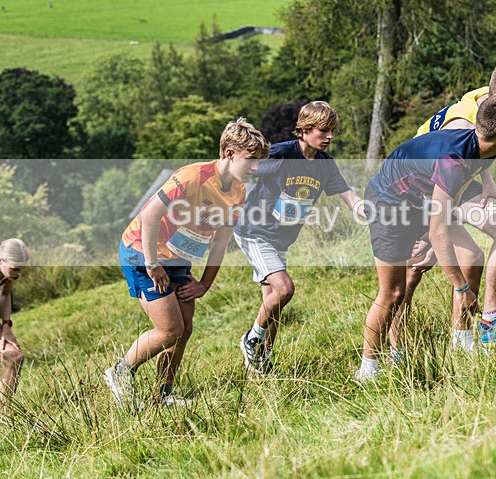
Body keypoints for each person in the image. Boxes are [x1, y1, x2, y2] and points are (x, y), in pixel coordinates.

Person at [356, 95, 496, 381]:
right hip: (388, 205)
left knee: (472, 256)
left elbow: (448, 208)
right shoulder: (454, 160)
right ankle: (368, 370)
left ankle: (461, 344)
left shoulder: (485, 151)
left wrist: (437, 242)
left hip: (420, 200)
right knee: (392, 292)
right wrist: (461, 288)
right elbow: (438, 229)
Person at [105, 118, 269, 407]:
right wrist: (152, 264)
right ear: (230, 153)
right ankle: (119, 372)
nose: (256, 167)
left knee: (185, 326)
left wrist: (205, 284)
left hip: (178, 258)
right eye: (251, 160)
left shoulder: (239, 191)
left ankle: (163, 393)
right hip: (142, 250)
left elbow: (220, 241)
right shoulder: (193, 176)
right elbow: (150, 215)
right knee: (169, 330)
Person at [390, 59, 496, 353]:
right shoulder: (460, 124)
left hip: (458, 178)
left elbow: (481, 146)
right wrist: (433, 240)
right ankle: (396, 346)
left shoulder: (491, 96)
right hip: (419, 187)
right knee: (416, 266)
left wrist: (489, 182)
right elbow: (453, 166)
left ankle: (486, 326)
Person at [235, 101, 363, 377]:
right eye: (323, 130)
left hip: (280, 240)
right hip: (254, 231)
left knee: (274, 303)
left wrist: (365, 208)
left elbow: (349, 196)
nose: (329, 137)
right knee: (284, 289)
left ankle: (262, 360)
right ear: (304, 129)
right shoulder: (281, 154)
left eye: (332, 131)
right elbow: (241, 170)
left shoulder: (325, 165)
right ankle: (252, 339)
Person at [0, 238, 29, 413]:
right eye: (15, 268)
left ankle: (3, 414)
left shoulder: (7, 275)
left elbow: (5, 294)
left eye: (21, 269)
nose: (18, 273)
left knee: (14, 357)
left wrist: (6, 326)